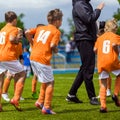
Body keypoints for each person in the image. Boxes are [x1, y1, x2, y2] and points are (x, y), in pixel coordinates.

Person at [66, 0, 104, 105]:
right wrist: (98, 9)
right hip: (84, 39)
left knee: (85, 68)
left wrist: (100, 26)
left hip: (87, 38)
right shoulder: (80, 4)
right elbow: (89, 18)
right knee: (88, 68)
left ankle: (71, 94)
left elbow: (90, 21)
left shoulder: (83, 4)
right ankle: (92, 97)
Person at [25, 9, 63, 114]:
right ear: (57, 21)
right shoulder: (56, 31)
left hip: (33, 57)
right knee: (50, 82)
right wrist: (55, 49)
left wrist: (32, 43)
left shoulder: (40, 28)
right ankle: (46, 107)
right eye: (61, 20)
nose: (61, 22)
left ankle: (40, 102)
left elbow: (27, 32)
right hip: (42, 58)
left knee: (44, 81)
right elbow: (52, 46)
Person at [0, 11, 26, 112]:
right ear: (14, 20)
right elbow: (11, 39)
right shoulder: (13, 29)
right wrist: (18, 39)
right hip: (8, 56)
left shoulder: (2, 30)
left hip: (0, 55)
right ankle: (16, 99)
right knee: (22, 74)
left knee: (0, 80)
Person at [94, 19, 120, 113]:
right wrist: (117, 51)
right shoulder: (115, 36)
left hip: (101, 62)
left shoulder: (99, 38)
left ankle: (103, 106)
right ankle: (116, 94)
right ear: (114, 28)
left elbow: (94, 50)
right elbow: (114, 45)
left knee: (103, 83)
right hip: (111, 60)